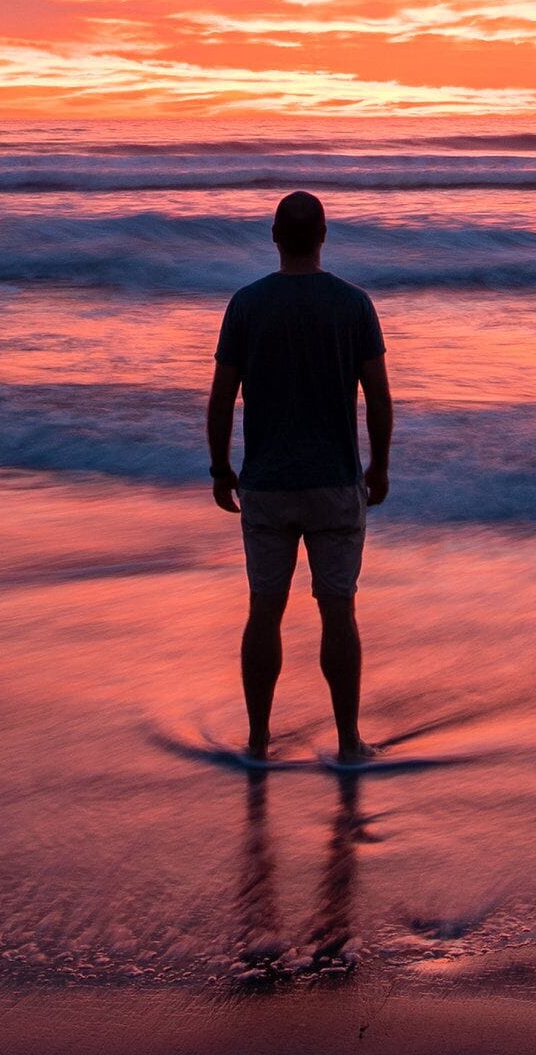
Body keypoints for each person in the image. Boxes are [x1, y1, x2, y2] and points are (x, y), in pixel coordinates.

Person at [206, 190, 392, 767]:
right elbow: (379, 398)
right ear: (324, 236)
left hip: (265, 481)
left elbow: (221, 398)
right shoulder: (354, 305)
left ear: (274, 237)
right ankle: (347, 743)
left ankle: (259, 742)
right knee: (338, 609)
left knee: (265, 607)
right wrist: (379, 465)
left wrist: (221, 467)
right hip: (334, 482)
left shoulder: (246, 304)